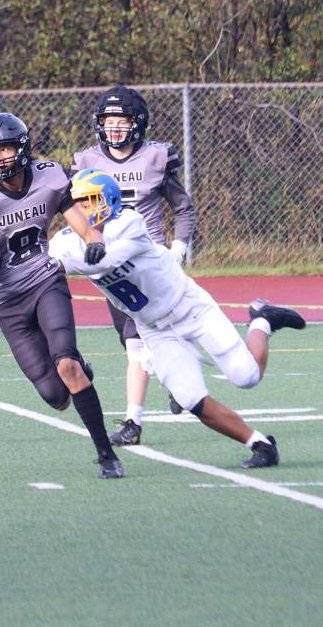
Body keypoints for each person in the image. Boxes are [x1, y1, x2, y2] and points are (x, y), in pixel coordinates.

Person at [50, 170, 304, 468]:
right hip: (154, 328)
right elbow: (45, 263)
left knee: (246, 377)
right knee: (190, 398)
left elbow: (104, 260)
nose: (83, 211)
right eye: (77, 205)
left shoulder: (128, 222)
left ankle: (263, 321)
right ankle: (260, 444)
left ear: (110, 200)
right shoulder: (64, 241)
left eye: (90, 201)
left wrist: (60, 264)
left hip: (189, 308)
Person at [0, 112, 124, 479]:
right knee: (56, 397)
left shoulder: (50, 179)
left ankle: (107, 455)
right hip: (7, 302)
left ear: (22, 148)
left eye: (5, 148)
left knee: (67, 364)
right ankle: (78, 374)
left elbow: (80, 222)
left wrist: (94, 241)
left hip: (44, 281)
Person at [71, 85, 197, 446]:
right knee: (135, 343)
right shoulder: (88, 162)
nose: (113, 129)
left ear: (137, 124)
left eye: (121, 121)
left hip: (150, 262)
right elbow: (74, 210)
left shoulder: (155, 158)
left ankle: (133, 422)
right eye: (108, 121)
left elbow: (183, 207)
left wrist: (178, 248)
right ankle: (176, 379)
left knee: (138, 345)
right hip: (111, 266)